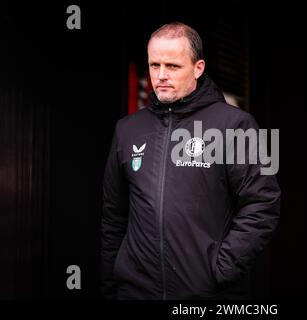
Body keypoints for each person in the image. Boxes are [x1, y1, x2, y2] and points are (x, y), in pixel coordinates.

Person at [101, 22, 281, 300]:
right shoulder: (127, 129)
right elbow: (114, 215)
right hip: (135, 292)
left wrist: (219, 271)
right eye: (154, 65)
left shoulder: (237, 125)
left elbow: (264, 203)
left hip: (205, 294)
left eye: (172, 66)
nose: (160, 75)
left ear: (198, 68)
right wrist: (113, 282)